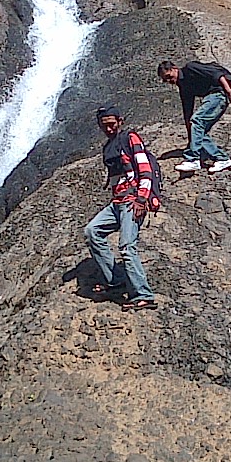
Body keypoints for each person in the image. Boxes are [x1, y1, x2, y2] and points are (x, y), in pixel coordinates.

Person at [83, 106, 158, 311]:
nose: (108, 129)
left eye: (111, 124)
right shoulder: (109, 146)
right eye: (104, 126)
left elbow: (145, 168)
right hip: (117, 203)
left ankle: (143, 295)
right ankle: (116, 280)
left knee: (126, 246)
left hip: (133, 201)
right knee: (92, 231)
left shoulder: (130, 138)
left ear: (120, 121)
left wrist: (142, 199)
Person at [157, 60, 231, 174]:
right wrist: (190, 133)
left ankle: (193, 159)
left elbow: (217, 74)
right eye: (166, 80)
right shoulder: (183, 86)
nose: (169, 81)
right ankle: (222, 159)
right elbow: (187, 110)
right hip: (212, 98)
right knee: (198, 131)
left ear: (174, 69)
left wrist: (230, 93)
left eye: (169, 76)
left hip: (218, 94)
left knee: (197, 120)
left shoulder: (190, 68)